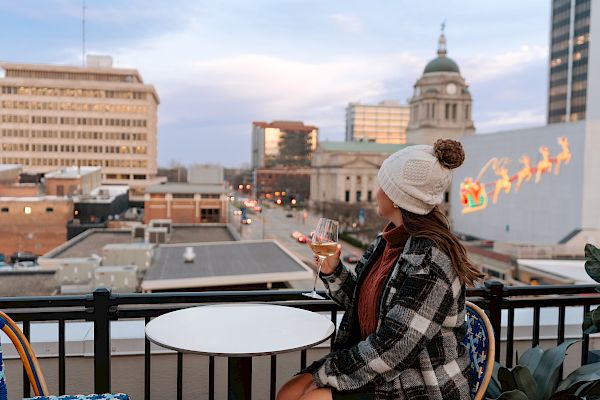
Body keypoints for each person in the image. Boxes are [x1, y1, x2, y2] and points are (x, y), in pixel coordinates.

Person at [277, 139, 484, 400]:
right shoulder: (387, 241)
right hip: (380, 370)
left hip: (421, 385)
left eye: (382, 185)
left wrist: (323, 374)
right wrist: (333, 271)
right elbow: (364, 304)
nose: (376, 191)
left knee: (305, 397)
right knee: (287, 392)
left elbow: (394, 349)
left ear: (398, 198)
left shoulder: (430, 261)